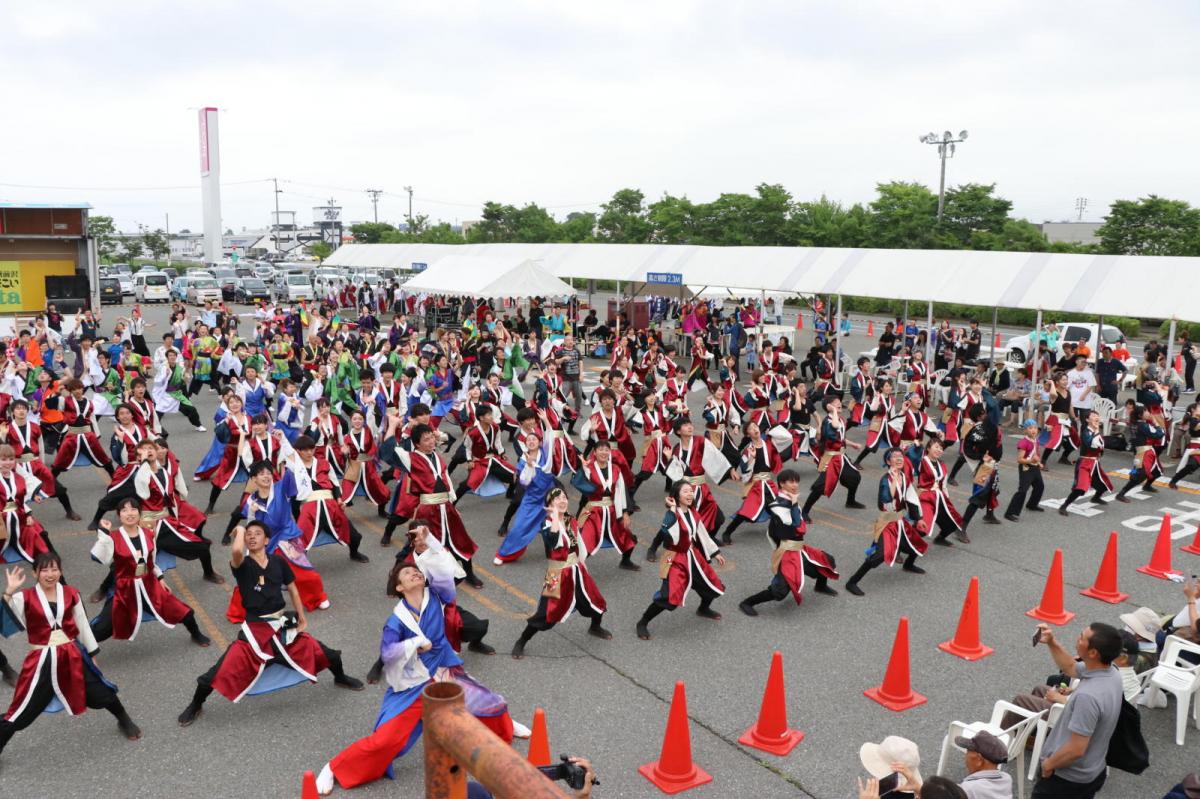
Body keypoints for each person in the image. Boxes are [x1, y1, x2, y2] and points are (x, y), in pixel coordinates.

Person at [314, 526, 517, 794]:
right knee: (384, 742)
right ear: (399, 587)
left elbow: (445, 569)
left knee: (490, 703)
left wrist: (428, 541)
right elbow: (388, 654)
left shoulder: (439, 594)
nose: (415, 573)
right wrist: (414, 644)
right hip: (413, 685)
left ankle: (507, 729)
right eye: (407, 573)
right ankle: (334, 767)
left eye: (416, 570)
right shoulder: (396, 621)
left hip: (444, 671)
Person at [177, 521, 363, 727]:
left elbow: (292, 588)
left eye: (257, 533)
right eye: (248, 535)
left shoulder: (278, 562)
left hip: (282, 627)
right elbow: (237, 549)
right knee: (215, 674)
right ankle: (196, 704)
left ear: (267, 540)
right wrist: (239, 530)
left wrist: (302, 617)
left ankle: (340, 677)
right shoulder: (243, 565)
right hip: (254, 632)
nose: (252, 537)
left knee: (329, 654)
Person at [0, 554, 141, 756]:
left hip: (72, 656)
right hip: (42, 662)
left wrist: (92, 656)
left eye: (54, 569)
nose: (50, 574)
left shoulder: (71, 594)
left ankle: (123, 719)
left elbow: (82, 626)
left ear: (61, 571)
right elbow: (5, 626)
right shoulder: (24, 597)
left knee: (101, 692)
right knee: (23, 711)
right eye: (44, 570)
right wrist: (9, 591)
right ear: (35, 573)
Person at [88, 499, 212, 647]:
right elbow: (97, 557)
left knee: (184, 612)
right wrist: (103, 533)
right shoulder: (113, 538)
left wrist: (160, 578)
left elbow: (151, 562)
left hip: (149, 585)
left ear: (140, 513)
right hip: (125, 590)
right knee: (103, 628)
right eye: (125, 510)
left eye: (133, 509)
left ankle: (196, 634)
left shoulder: (148, 534)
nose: (129, 513)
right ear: (119, 515)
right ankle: (78, 649)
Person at [510, 488, 610, 658]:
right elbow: (554, 542)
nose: (563, 501)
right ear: (550, 504)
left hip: (576, 569)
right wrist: (555, 517)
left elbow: (579, 543)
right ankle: (521, 641)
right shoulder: (547, 523)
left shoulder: (571, 520)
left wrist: (583, 563)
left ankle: (595, 626)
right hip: (557, 574)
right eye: (557, 499)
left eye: (564, 497)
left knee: (594, 601)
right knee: (546, 613)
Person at [1031, 622, 1124, 799]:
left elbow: (1076, 749)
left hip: (1066, 781)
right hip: (1093, 770)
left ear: (1093, 653)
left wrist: (1048, 765)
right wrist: (1052, 642)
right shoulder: (1112, 673)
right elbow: (1071, 668)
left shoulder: (1088, 697)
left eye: (1082, 637)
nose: (1077, 638)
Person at [737, 469, 838, 615]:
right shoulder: (778, 506)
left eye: (797, 481)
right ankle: (747, 602)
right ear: (782, 484)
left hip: (798, 548)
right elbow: (798, 527)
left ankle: (820, 586)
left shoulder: (790, 500)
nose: (795, 485)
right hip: (787, 553)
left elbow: (799, 525)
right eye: (791, 481)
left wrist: (794, 503)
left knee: (825, 560)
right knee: (780, 591)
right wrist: (795, 503)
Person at [635, 482, 726, 640]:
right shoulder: (671, 515)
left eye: (691, 491)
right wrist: (671, 509)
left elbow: (702, 533)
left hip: (692, 556)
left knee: (712, 585)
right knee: (669, 596)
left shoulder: (693, 513)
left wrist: (715, 552)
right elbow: (671, 536)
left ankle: (703, 609)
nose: (690, 494)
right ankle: (642, 622)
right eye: (685, 491)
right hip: (676, 558)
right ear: (676, 495)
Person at [845, 448, 928, 596]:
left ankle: (908, 565)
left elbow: (911, 498)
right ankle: (852, 582)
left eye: (900, 456)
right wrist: (894, 484)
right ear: (888, 461)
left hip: (900, 521)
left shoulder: (903, 476)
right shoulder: (886, 480)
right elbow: (884, 502)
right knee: (880, 555)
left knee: (917, 542)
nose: (899, 458)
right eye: (894, 456)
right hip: (888, 523)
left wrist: (919, 518)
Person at [1057, 410, 1113, 515]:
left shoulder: (1096, 431)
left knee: (1103, 483)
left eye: (1097, 415)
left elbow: (1101, 447)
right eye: (1093, 416)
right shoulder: (1085, 432)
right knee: (1081, 488)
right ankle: (1064, 506)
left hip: (1095, 463)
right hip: (1085, 463)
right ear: (1087, 419)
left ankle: (1096, 498)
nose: (1096, 417)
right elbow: (1091, 444)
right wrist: (1096, 431)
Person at [1004, 419, 1046, 521]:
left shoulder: (1036, 440)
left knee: (1039, 486)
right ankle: (1010, 513)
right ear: (1025, 430)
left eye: (1035, 428)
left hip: (1034, 467)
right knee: (1023, 490)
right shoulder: (1024, 442)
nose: (1034, 430)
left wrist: (1039, 463)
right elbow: (1019, 459)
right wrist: (1032, 460)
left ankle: (1032, 504)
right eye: (1030, 428)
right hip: (1026, 468)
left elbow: (1036, 454)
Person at [953, 730, 1013, 799]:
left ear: (979, 760)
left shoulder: (969, 789)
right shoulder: (1006, 778)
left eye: (968, 750)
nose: (966, 755)